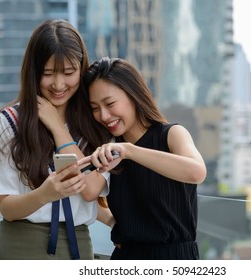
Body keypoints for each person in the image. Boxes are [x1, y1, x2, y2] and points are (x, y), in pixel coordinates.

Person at [0, 19, 112, 260]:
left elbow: (90, 191)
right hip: (17, 247)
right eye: (48, 73)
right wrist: (44, 194)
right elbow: (7, 208)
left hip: (77, 248)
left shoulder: (98, 123)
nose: (58, 84)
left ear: (82, 69)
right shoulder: (10, 121)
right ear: (34, 72)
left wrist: (55, 125)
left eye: (69, 73)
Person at [81, 57, 207, 260]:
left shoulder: (172, 135)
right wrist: (113, 222)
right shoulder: (107, 149)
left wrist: (130, 151)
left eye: (110, 103)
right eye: (95, 108)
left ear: (133, 94)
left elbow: (197, 172)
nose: (104, 115)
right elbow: (83, 195)